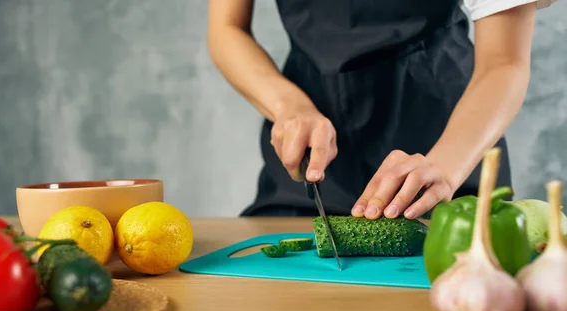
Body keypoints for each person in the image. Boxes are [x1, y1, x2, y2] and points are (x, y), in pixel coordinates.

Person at [207, 0, 559, 219]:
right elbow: (227, 29)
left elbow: (504, 63)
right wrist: (288, 106)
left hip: (447, 143)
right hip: (309, 164)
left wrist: (445, 166)